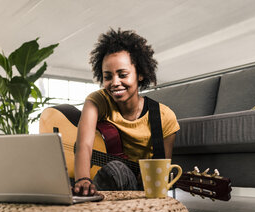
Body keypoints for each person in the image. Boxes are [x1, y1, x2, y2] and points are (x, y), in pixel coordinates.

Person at [73, 28, 180, 196]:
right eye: (108, 77)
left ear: (141, 74)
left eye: (122, 74)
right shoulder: (97, 101)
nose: (115, 82)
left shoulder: (165, 117)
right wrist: (82, 179)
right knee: (115, 169)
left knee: (118, 170)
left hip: (140, 190)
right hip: (100, 179)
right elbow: (84, 145)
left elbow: (161, 173)